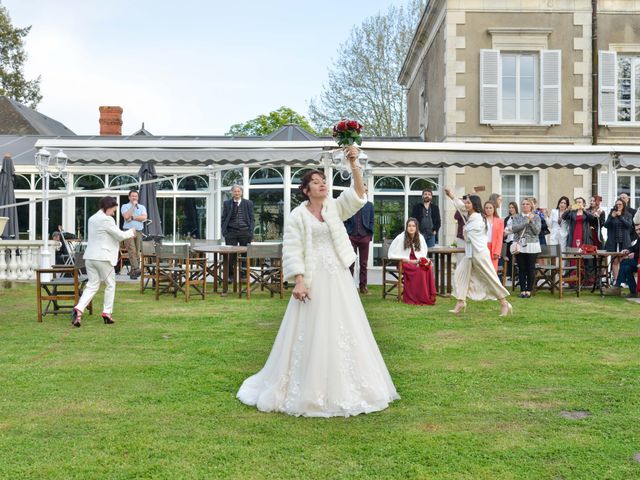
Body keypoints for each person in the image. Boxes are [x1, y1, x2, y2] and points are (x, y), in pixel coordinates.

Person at [237, 146, 399, 417]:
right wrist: (299, 280)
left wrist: (353, 162)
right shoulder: (297, 216)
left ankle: (349, 384)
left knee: (344, 325)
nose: (323, 185)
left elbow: (359, 194)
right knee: (310, 328)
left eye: (324, 181)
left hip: (337, 275)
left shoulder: (334, 207)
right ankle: (305, 385)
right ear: (305, 190)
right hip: (312, 277)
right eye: (317, 182)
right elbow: (292, 249)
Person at [445, 188, 512, 316]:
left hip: (480, 254)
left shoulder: (477, 218)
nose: (466, 204)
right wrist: (452, 196)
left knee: (489, 278)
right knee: (460, 274)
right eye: (466, 202)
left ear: (474, 205)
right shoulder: (473, 215)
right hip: (471, 254)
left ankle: (504, 303)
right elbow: (461, 206)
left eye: (469, 203)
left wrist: (465, 229)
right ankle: (461, 301)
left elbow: (468, 233)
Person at [71, 197, 135, 327]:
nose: (113, 213)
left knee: (92, 285)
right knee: (110, 284)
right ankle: (107, 312)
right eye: (113, 210)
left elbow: (104, 235)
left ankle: (79, 309)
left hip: (90, 257)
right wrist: (131, 232)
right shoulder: (107, 219)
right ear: (107, 207)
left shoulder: (92, 218)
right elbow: (120, 236)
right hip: (103, 257)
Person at [388, 218, 436, 305]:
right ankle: (415, 297)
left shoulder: (420, 237)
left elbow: (423, 253)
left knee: (427, 267)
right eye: (409, 226)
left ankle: (425, 296)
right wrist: (410, 261)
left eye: (413, 226)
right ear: (406, 227)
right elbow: (391, 253)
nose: (411, 228)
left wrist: (422, 261)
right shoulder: (400, 237)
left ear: (416, 227)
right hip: (404, 263)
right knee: (419, 270)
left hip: (416, 262)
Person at [221, 185, 255, 281]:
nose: (237, 193)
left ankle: (243, 275)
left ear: (241, 193)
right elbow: (224, 218)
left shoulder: (248, 203)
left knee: (245, 254)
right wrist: (225, 231)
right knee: (231, 255)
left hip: (245, 232)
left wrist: (250, 232)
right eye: (235, 191)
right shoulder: (227, 203)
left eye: (238, 191)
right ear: (232, 193)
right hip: (231, 232)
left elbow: (252, 218)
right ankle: (231, 276)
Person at [344, 186, 374, 294]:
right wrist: (347, 232)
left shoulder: (369, 205)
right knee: (350, 262)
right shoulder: (350, 204)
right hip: (352, 236)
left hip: (364, 236)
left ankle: (363, 287)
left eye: (366, 190)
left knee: (364, 263)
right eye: (361, 189)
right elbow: (345, 220)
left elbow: (371, 221)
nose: (364, 191)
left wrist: (369, 235)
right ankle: (349, 287)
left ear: (367, 192)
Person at [511, 198, 542, 298]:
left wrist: (531, 220)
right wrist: (526, 220)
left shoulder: (536, 217)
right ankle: (522, 290)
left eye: (527, 204)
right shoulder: (516, 217)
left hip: (532, 245)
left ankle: (529, 290)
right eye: (523, 204)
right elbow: (515, 228)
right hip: (520, 245)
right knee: (521, 268)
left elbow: (537, 231)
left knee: (530, 268)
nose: (525, 206)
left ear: (531, 206)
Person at [604, 198, 634, 282]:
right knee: (614, 261)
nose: (618, 206)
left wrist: (620, 216)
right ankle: (616, 280)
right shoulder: (612, 214)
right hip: (613, 242)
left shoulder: (628, 215)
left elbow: (629, 226)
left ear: (623, 205)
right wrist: (611, 217)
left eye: (620, 204)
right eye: (617, 204)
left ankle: (623, 280)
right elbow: (605, 225)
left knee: (623, 261)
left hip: (624, 241)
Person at [121, 189, 147, 280]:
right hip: (128, 231)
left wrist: (133, 217)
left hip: (139, 231)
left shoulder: (142, 207)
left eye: (136, 196)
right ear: (129, 197)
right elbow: (126, 216)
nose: (134, 197)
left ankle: (133, 273)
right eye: (132, 196)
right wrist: (133, 207)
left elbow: (144, 217)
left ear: (138, 197)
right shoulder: (124, 206)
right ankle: (136, 269)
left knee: (137, 252)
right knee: (131, 250)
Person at [612, 223, 640, 298]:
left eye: (639, 229)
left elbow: (637, 252)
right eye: (637, 230)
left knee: (624, 262)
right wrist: (627, 250)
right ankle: (633, 292)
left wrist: (635, 255)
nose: (638, 232)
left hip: (638, 261)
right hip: (637, 261)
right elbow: (634, 248)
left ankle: (618, 283)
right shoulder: (639, 238)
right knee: (627, 269)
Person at [484, 201, 504, 272]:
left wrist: (497, 252)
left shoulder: (499, 221)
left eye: (490, 208)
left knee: (492, 271)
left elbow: (500, 238)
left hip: (494, 247)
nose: (488, 210)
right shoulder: (481, 220)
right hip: (483, 247)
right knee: (484, 270)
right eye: (486, 208)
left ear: (494, 209)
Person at [503, 201, 519, 277]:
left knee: (515, 258)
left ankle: (515, 275)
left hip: (515, 239)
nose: (511, 209)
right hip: (508, 239)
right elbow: (504, 228)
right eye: (509, 208)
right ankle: (510, 274)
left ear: (516, 208)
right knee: (508, 257)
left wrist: (508, 231)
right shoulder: (507, 218)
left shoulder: (519, 217)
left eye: (512, 207)